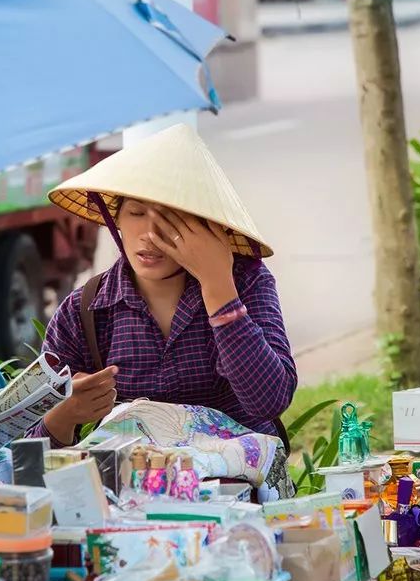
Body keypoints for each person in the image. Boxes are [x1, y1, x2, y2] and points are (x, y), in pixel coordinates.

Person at [28, 124, 297, 448]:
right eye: (136, 213)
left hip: (238, 490)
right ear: (116, 221)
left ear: (204, 226)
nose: (150, 234)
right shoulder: (83, 311)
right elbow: (29, 450)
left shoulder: (246, 281)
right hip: (134, 492)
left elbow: (270, 400)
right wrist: (67, 413)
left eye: (170, 219)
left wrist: (217, 287)